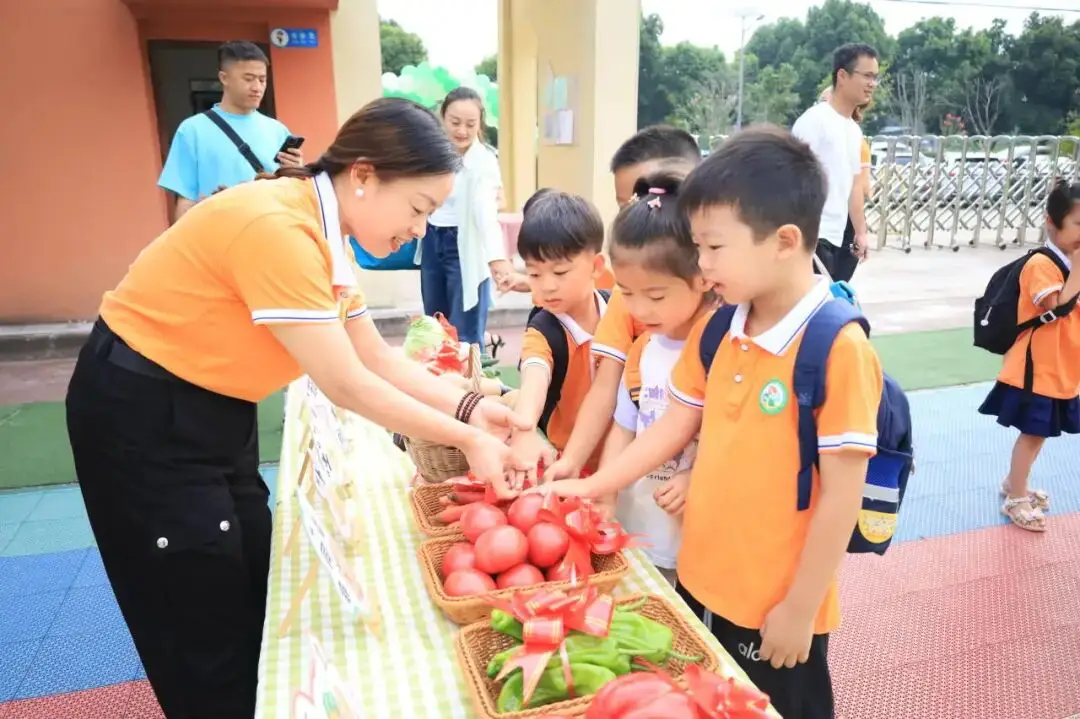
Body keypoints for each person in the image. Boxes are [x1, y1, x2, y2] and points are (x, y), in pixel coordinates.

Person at [65, 98, 529, 719]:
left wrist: (473, 409)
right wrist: (469, 441)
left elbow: (375, 357)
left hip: (210, 404)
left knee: (247, 567)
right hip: (144, 413)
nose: (419, 230)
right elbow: (347, 384)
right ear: (363, 176)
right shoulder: (279, 228)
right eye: (417, 209)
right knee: (195, 602)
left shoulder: (323, 228)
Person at [537, 127, 884, 719]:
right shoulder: (723, 329)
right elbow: (675, 424)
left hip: (772, 600)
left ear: (784, 241)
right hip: (704, 580)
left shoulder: (837, 347)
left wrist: (800, 609)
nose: (701, 265)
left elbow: (841, 498)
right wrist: (594, 486)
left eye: (713, 248)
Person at [542, 129, 702, 483]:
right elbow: (608, 392)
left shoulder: (726, 319)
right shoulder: (626, 300)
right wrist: (575, 461)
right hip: (635, 479)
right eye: (627, 204)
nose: (643, 214)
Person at [600, 171, 714, 586]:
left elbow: (730, 435)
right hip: (639, 521)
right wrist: (608, 492)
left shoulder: (718, 350)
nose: (639, 309)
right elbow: (622, 427)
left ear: (702, 276)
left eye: (656, 295)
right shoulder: (643, 350)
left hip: (691, 532)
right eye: (627, 293)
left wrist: (694, 475)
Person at [978, 179, 1080, 532]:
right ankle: (1016, 499)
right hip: (1036, 369)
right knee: (1032, 434)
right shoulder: (1042, 264)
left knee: (1041, 434)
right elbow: (1056, 306)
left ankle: (1014, 483)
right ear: (1052, 223)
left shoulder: (1068, 263)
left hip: (1061, 368)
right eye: (1079, 224)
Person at [507, 192, 609, 483]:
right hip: (567, 465)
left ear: (596, 266)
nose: (548, 286)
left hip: (626, 458)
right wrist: (524, 427)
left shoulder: (623, 314)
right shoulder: (543, 330)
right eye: (535, 275)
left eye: (560, 272)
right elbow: (534, 376)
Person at [159, 41, 303, 222]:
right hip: (217, 233)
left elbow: (291, 193)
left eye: (262, 79)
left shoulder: (277, 130)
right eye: (248, 79)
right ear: (224, 78)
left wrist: (295, 171)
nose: (257, 87)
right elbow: (186, 200)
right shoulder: (192, 130)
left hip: (269, 232)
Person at [419, 87, 513, 345]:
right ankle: (437, 383)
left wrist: (496, 258)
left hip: (465, 246)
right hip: (431, 238)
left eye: (470, 124)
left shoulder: (484, 161)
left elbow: (486, 211)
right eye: (455, 122)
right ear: (443, 118)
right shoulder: (431, 153)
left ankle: (470, 385)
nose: (462, 131)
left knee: (465, 332)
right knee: (435, 325)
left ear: (480, 122)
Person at [792, 43, 879, 282]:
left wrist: (860, 233)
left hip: (834, 236)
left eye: (875, 77)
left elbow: (853, 185)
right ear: (842, 75)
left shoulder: (852, 130)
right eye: (867, 76)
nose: (873, 84)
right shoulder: (814, 121)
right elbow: (791, 178)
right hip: (809, 237)